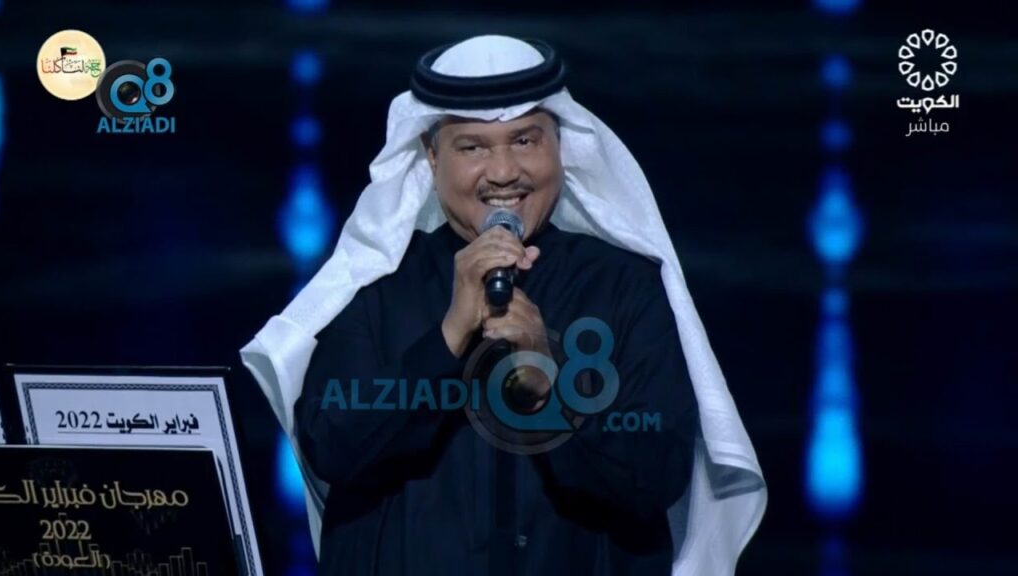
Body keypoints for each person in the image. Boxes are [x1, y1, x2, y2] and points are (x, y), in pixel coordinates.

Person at [241, 35, 766, 576]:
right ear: (431, 157)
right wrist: (448, 337)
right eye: (473, 148)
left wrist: (548, 388)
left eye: (524, 140)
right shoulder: (374, 288)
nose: (503, 172)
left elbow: (654, 475)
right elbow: (332, 448)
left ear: (560, 146)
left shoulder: (624, 287)